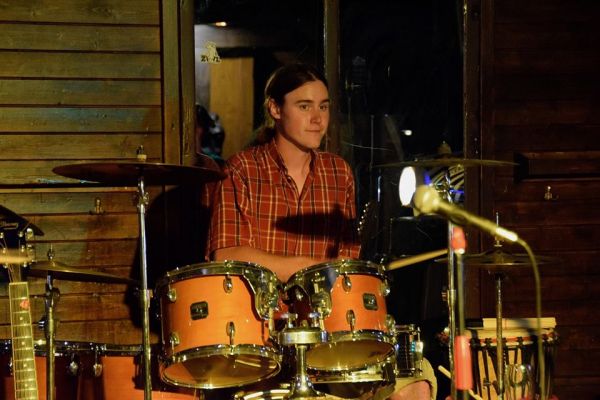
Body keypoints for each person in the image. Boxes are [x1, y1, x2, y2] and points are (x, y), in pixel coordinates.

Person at [208, 63, 436, 400]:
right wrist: (304, 267)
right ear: (275, 109)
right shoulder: (242, 168)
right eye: (304, 106)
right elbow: (225, 255)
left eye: (324, 106)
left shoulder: (337, 172)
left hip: (327, 333)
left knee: (414, 384)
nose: (318, 118)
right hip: (262, 334)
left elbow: (345, 265)